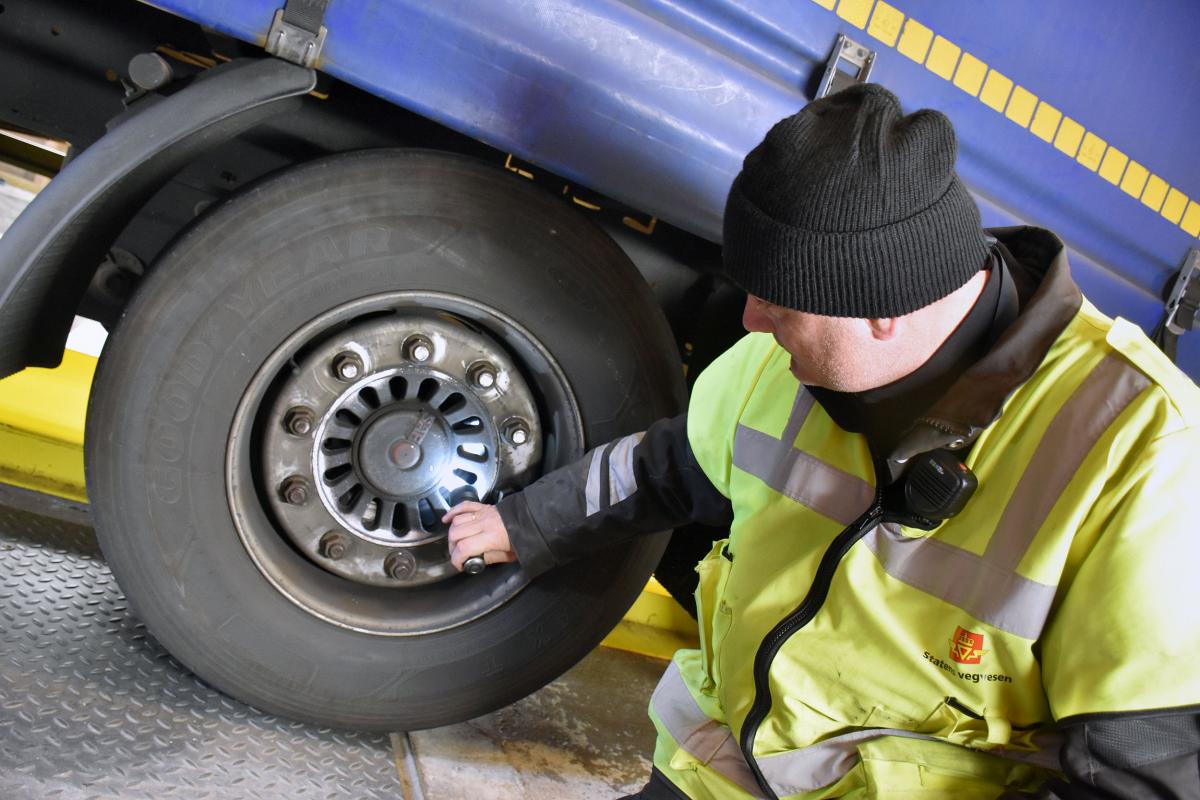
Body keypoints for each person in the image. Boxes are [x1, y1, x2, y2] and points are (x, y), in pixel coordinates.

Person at [442, 84, 1200, 799]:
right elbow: (670, 463)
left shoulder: (1141, 452)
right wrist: (526, 523)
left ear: (881, 310)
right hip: (710, 773)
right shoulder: (783, 364)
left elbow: (1142, 770)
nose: (750, 323)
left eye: (778, 301)